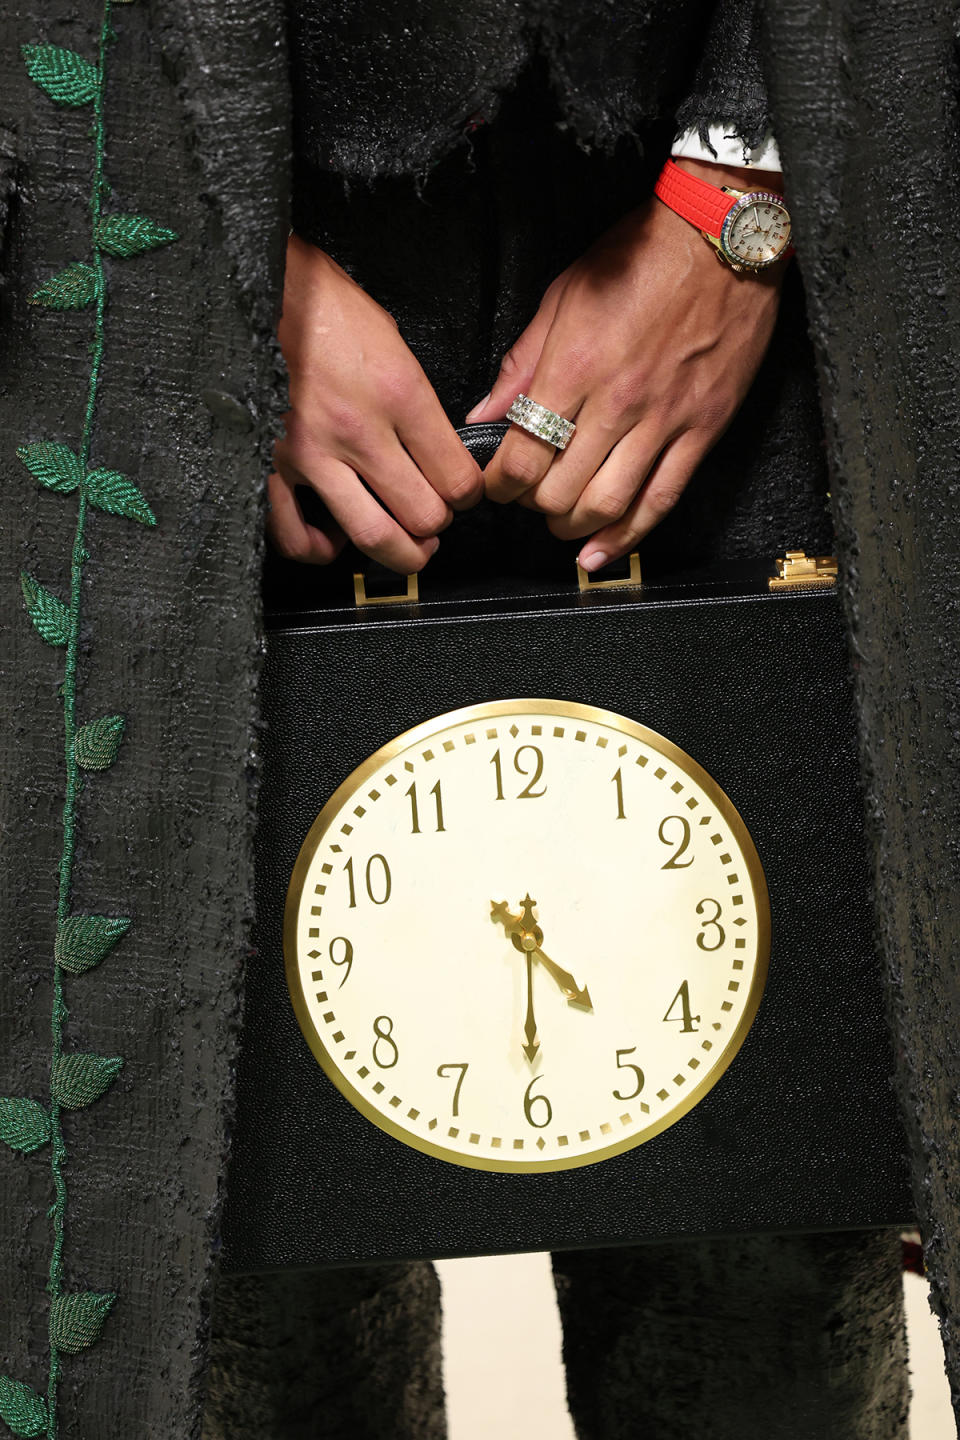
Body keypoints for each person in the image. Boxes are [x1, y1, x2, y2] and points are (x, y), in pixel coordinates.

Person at [203, 7, 909, 1437]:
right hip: (181, 281)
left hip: (734, 305)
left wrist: (746, 189)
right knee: (224, 1330)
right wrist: (191, 258)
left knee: (771, 1321)